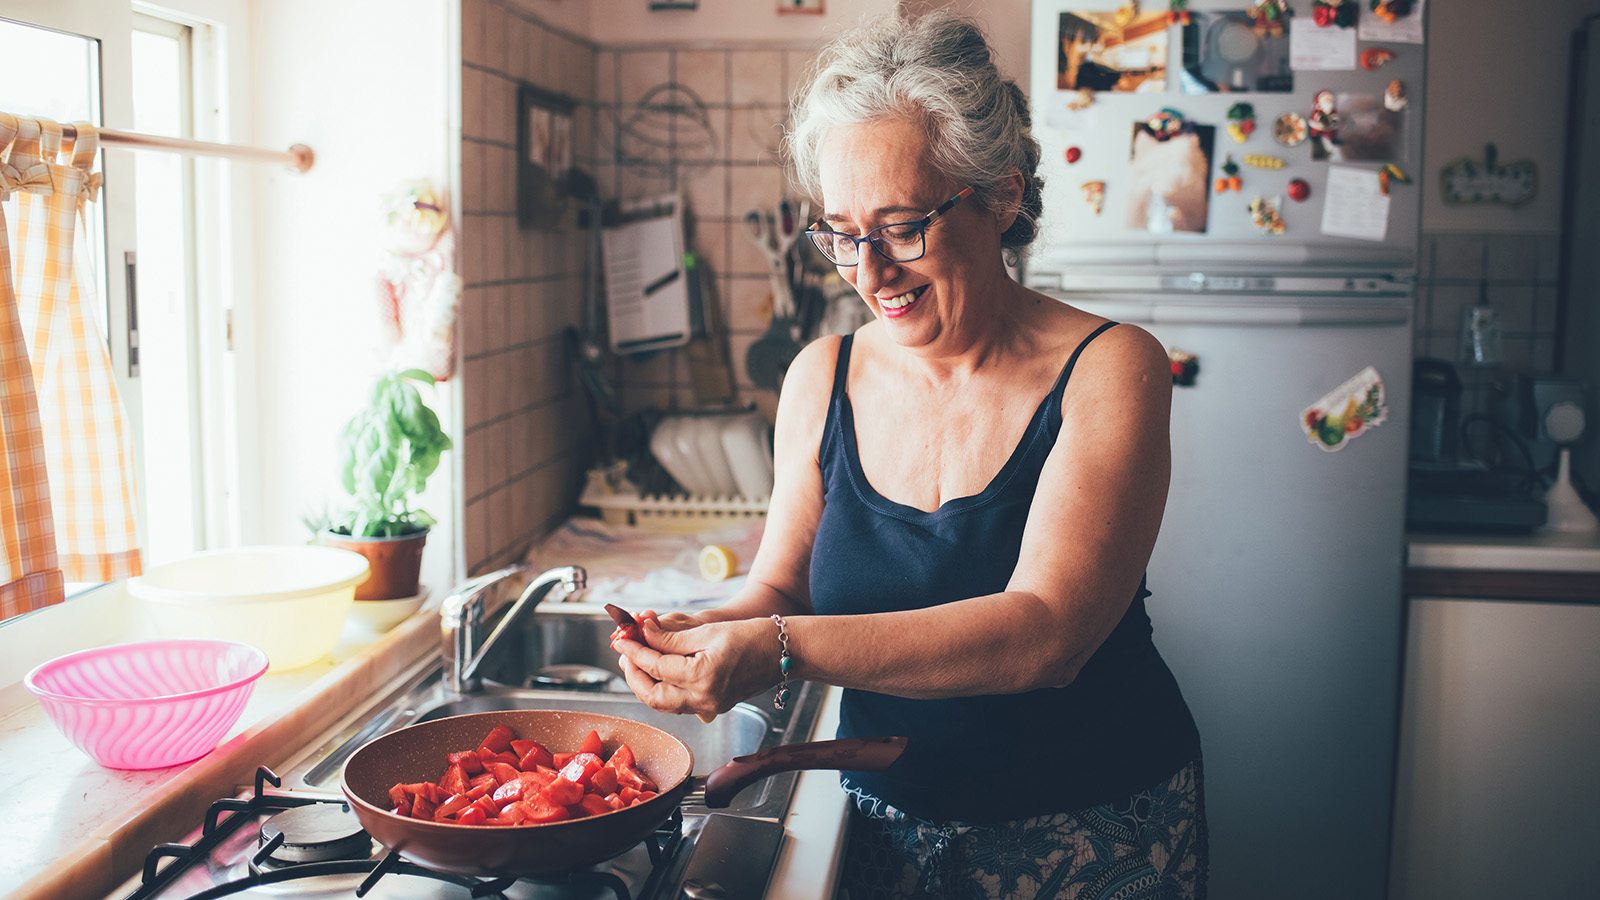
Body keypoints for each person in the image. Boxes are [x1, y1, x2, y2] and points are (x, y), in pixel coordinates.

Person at [611, 10, 1207, 899]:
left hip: (1093, 830)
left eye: (900, 227)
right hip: (881, 828)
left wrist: (777, 649)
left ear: (1001, 197)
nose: (868, 271)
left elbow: (1046, 636)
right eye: (842, 233)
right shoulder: (822, 376)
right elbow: (782, 588)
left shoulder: (1113, 368)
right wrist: (705, 635)